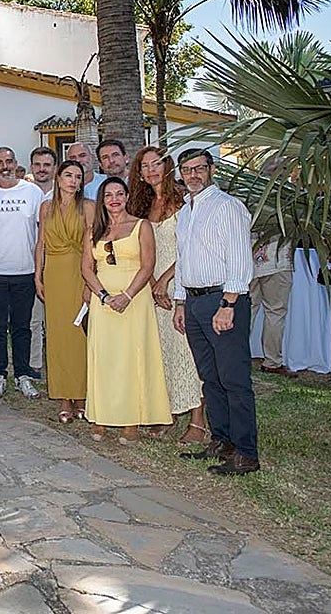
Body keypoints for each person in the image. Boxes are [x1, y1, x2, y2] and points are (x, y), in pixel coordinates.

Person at [173, 149, 260, 475]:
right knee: (210, 378)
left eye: (199, 169)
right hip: (195, 303)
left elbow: (240, 260)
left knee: (234, 379)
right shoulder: (185, 211)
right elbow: (183, 260)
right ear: (180, 173)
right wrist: (181, 302)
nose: (193, 174)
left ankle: (246, 453)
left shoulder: (228, 207)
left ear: (211, 170)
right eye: (186, 169)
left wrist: (228, 304)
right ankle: (222, 442)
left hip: (222, 301)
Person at [81, 177, 171, 443]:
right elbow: (86, 267)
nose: (114, 199)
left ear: (127, 195)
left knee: (132, 358)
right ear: (102, 200)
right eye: (108, 195)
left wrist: (127, 296)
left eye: (119, 193)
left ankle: (131, 420)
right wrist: (104, 295)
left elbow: (148, 265)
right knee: (104, 358)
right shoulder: (93, 230)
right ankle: (101, 416)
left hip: (134, 301)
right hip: (103, 301)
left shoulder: (141, 226)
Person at [127, 147, 207, 444]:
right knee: (160, 352)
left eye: (156, 163)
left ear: (167, 165)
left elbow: (192, 247)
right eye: (144, 165)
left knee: (187, 351)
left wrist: (163, 281)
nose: (151, 170)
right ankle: (168, 413)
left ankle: (198, 422)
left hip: (179, 283)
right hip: (150, 288)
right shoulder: (141, 204)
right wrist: (149, 283)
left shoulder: (186, 200)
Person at [0, 146, 44, 400]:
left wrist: (41, 267)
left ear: (16, 163)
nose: (5, 166)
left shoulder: (33, 192)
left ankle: (23, 376)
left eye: (9, 161)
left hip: (25, 270)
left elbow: (42, 233)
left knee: (22, 327)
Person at [34, 160, 92, 423]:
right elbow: (41, 244)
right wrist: (38, 275)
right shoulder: (46, 207)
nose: (73, 181)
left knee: (79, 334)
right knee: (57, 335)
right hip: (54, 275)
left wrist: (92, 283)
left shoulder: (89, 207)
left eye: (78, 177)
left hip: (80, 274)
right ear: (58, 178)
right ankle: (64, 397)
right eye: (68, 175)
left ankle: (81, 394)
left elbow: (94, 248)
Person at [28, 145, 59, 378]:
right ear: (31, 167)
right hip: (30, 265)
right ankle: (35, 365)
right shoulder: (24, 193)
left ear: (55, 168)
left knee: (59, 320)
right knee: (34, 320)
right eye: (37, 165)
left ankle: (59, 365)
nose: (42, 169)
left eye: (46, 165)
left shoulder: (64, 194)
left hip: (59, 265)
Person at [251, 235, 296, 377]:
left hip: (248, 257)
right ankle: (272, 362)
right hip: (277, 259)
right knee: (275, 312)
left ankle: (235, 359)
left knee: (246, 310)